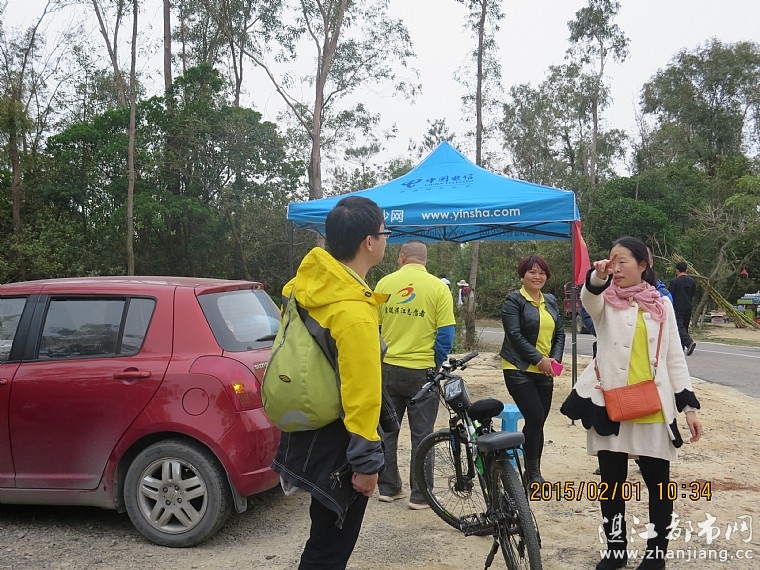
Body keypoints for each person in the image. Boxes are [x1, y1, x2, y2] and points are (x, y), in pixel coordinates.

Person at [560, 236, 703, 570]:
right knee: (611, 486)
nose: (616, 267)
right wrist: (597, 276)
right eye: (612, 260)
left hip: (652, 405)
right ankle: (616, 551)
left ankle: (656, 556)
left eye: (622, 261)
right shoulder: (605, 300)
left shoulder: (662, 304)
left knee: (659, 486)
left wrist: (689, 408)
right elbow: (589, 298)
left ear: (643, 265)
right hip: (610, 405)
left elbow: (674, 358)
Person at [271, 196, 390, 570]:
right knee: (328, 551)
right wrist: (367, 463)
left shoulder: (303, 288)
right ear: (369, 242)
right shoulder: (353, 311)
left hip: (310, 430)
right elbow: (361, 393)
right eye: (384, 233)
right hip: (342, 442)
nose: (386, 239)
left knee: (321, 536)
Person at [375, 240, 456, 509]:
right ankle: (420, 495)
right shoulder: (438, 288)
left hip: (388, 369)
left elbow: (373, 327)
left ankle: (388, 488)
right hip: (422, 371)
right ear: (425, 260)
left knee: (387, 431)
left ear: (401, 257)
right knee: (423, 435)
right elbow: (446, 334)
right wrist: (434, 364)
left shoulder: (384, 284)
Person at [499, 255, 565, 487]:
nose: (537, 277)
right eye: (532, 272)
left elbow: (559, 333)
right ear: (523, 275)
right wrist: (539, 360)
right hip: (518, 368)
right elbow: (514, 335)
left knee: (538, 422)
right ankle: (533, 474)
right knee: (535, 417)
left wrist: (553, 361)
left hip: (544, 370)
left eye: (542, 273)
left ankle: (532, 471)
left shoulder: (550, 301)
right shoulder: (513, 300)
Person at [669, 261, 697, 356]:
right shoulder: (692, 281)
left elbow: (670, 296)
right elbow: (693, 294)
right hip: (688, 306)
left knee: (678, 327)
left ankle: (689, 343)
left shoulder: (674, 281)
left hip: (677, 307)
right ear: (687, 270)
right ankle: (681, 348)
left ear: (677, 270)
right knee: (684, 327)